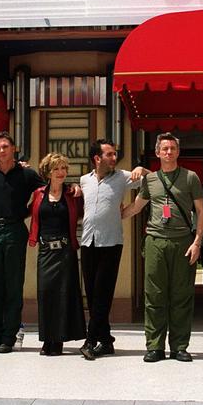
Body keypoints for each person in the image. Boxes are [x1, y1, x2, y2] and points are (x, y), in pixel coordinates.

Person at [122, 132, 203, 363]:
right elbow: (136, 208)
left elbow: (201, 211)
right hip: (155, 242)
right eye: (164, 149)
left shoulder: (190, 177)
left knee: (181, 296)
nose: (168, 152)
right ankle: (155, 346)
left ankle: (179, 346)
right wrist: (110, 215)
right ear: (157, 153)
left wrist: (197, 242)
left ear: (178, 152)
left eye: (172, 148)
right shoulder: (150, 180)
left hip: (182, 242)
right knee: (154, 295)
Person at [79, 140, 149, 360]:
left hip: (111, 243)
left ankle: (91, 341)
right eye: (109, 154)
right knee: (92, 295)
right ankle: (106, 341)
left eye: (115, 154)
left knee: (103, 294)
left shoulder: (122, 177)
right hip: (88, 242)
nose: (114, 158)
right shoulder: (84, 181)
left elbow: (153, 179)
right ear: (97, 158)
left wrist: (141, 170)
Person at [0, 131, 45, 354]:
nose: (2, 151)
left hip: (14, 230)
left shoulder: (26, 174)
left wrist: (73, 187)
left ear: (13, 148)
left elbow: (46, 191)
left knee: (13, 284)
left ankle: (8, 337)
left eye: (5, 146)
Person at [28, 153, 86, 356]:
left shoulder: (73, 193)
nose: (61, 172)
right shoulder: (38, 194)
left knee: (63, 295)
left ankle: (59, 340)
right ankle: (47, 338)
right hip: (45, 251)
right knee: (46, 294)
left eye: (63, 168)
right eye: (56, 169)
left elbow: (87, 210)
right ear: (48, 172)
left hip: (65, 251)